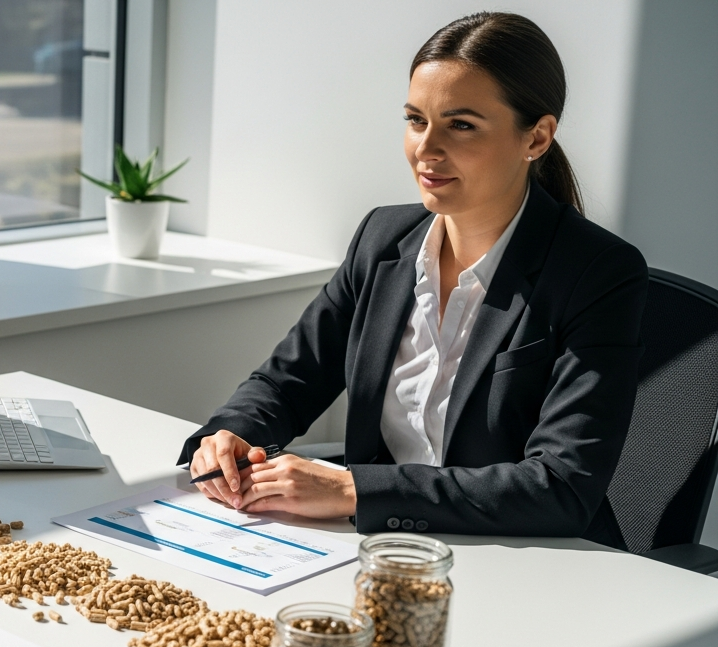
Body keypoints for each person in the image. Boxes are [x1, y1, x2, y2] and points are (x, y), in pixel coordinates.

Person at [182, 12, 647, 548]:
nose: (426, 149)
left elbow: (559, 487)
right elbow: (289, 381)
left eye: (462, 125)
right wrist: (231, 435)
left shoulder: (598, 273)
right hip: (384, 550)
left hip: (534, 558)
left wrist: (356, 490)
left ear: (537, 138)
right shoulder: (383, 238)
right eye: (415, 120)